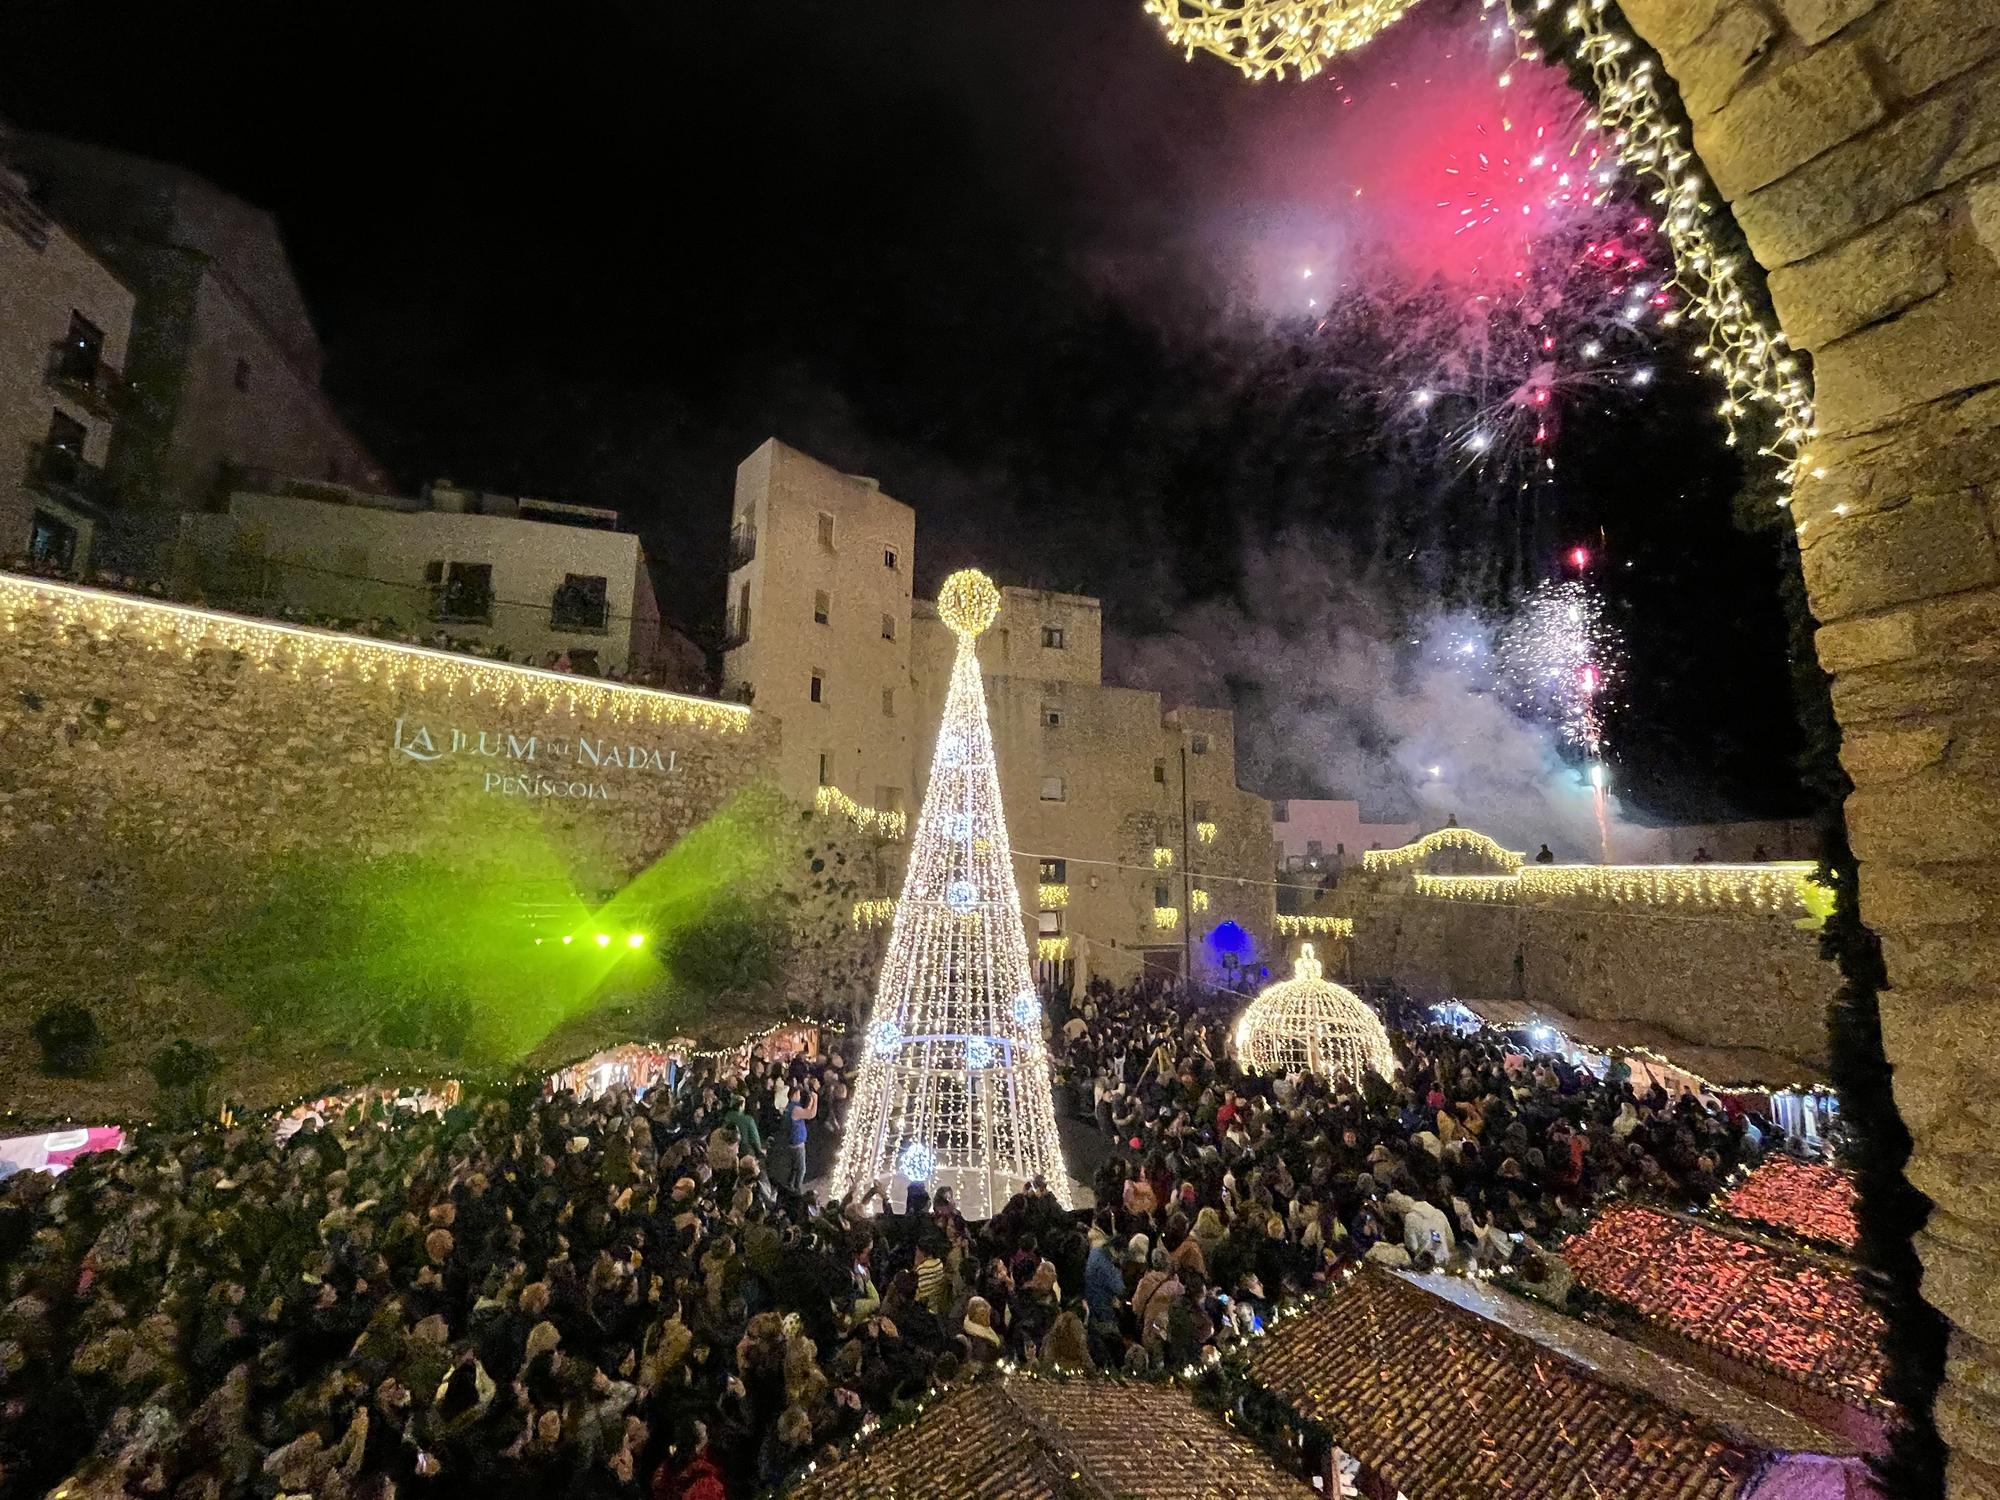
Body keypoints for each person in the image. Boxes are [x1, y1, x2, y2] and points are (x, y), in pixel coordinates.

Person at [782, 1079, 818, 1194]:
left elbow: (806, 1110)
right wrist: (816, 1100)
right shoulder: (795, 1109)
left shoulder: (791, 1107)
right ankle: (797, 1189)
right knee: (801, 1169)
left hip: (791, 1142)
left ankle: (790, 1185)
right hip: (797, 1144)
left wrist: (811, 1100)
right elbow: (810, 1114)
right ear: (794, 1095)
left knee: (794, 1167)